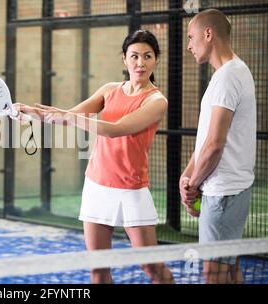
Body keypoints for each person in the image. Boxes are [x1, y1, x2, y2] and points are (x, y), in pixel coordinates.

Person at [16, 30, 174, 284]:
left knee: (151, 267)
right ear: (124, 59)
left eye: (147, 56)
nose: (140, 63)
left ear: (155, 60)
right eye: (134, 56)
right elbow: (70, 116)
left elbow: (115, 129)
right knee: (98, 269)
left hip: (131, 189)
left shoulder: (157, 101)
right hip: (97, 187)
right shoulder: (109, 90)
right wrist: (29, 112)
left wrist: (66, 116)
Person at [179, 9, 256, 283]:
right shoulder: (229, 73)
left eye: (191, 37)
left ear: (208, 34)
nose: (188, 45)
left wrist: (194, 185)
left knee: (214, 275)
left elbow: (215, 145)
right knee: (231, 272)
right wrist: (187, 176)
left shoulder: (228, 76)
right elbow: (206, 140)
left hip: (222, 194)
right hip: (227, 192)